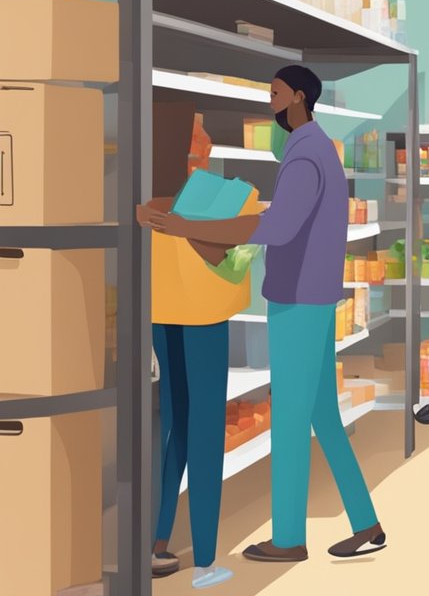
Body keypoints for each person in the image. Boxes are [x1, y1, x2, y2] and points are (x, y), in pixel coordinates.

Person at [144, 65, 386, 563]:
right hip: (316, 293)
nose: (270, 100)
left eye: (275, 93)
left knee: (291, 420)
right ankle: (366, 523)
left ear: (299, 97)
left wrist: (188, 225)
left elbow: (278, 227)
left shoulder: (303, 153)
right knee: (322, 413)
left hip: (297, 297)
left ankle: (289, 538)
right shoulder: (316, 147)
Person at [135, 117, 261, 589]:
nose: (206, 142)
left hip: (163, 313)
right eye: (197, 135)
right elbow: (228, 253)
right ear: (185, 151)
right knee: (205, 431)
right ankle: (207, 560)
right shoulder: (215, 201)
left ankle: (158, 541)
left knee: (174, 425)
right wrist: (201, 228)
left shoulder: (150, 205)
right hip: (204, 316)